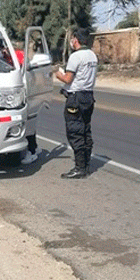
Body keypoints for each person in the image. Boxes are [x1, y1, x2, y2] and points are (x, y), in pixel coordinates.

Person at [54, 28, 98, 179]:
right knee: (85, 130)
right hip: (88, 97)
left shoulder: (76, 56)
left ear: (77, 40)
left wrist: (57, 73)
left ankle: (80, 168)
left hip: (76, 98)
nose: (71, 42)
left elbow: (67, 79)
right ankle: (86, 164)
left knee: (75, 132)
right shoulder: (92, 55)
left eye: (73, 39)